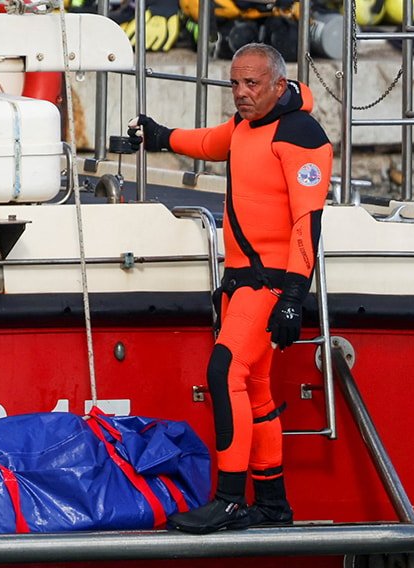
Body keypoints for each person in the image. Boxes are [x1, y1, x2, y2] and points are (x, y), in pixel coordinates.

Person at [130, 43, 331, 534]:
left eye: (251, 84)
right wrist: (158, 136)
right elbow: (208, 142)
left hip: (270, 283)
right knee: (256, 392)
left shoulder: (301, 134)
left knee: (224, 372)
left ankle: (229, 499)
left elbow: (309, 223)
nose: (240, 93)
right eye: (235, 84)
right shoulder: (246, 127)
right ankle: (272, 503)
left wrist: (293, 297)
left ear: (279, 86)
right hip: (240, 282)